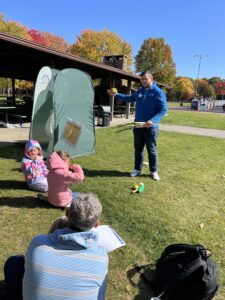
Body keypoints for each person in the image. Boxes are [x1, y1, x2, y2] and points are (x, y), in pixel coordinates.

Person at [4, 193, 108, 300]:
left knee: (14, 262)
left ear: (67, 214)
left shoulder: (38, 243)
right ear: (96, 224)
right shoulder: (101, 256)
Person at [107, 71, 167, 181]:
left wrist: (153, 120)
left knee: (151, 150)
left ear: (151, 79)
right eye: (142, 79)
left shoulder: (158, 92)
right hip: (138, 126)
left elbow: (163, 109)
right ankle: (137, 169)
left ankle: (154, 171)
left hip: (151, 127)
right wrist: (116, 95)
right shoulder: (140, 91)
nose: (143, 81)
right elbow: (129, 98)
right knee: (138, 149)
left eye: (145, 79)